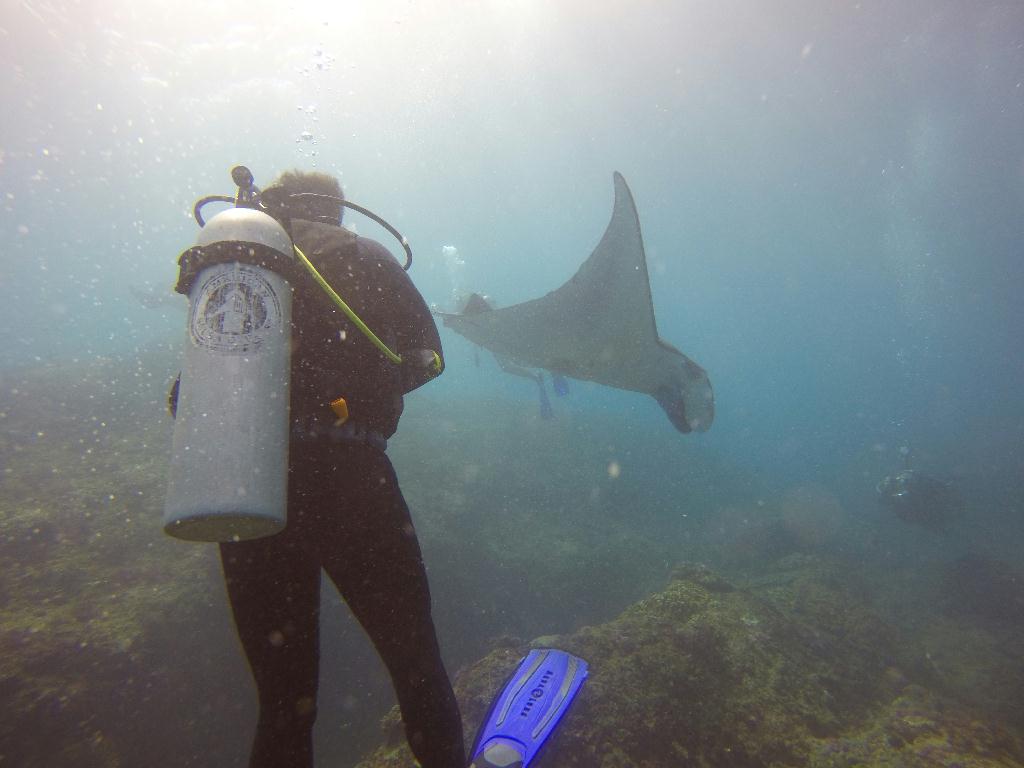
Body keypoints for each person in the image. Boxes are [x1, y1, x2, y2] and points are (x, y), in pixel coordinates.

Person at [199, 170, 465, 768]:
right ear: (337, 210)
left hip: (245, 481)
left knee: (284, 702)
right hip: (353, 478)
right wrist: (358, 385)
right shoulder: (365, 255)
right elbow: (425, 359)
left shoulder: (238, 260)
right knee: (416, 665)